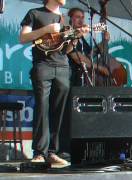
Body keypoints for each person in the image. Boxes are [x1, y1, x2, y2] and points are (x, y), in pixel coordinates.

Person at [19, 0, 87, 165]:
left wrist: (76, 38)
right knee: (42, 107)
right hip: (43, 65)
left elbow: (66, 49)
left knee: (60, 110)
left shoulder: (63, 19)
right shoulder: (34, 13)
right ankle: (39, 153)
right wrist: (46, 29)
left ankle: (52, 151)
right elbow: (23, 37)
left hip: (62, 67)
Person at [66, 7, 110, 87]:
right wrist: (100, 68)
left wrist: (104, 41)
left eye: (82, 17)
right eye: (78, 17)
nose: (81, 20)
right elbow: (78, 58)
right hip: (70, 76)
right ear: (70, 18)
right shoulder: (69, 34)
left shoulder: (82, 37)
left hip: (82, 78)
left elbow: (90, 55)